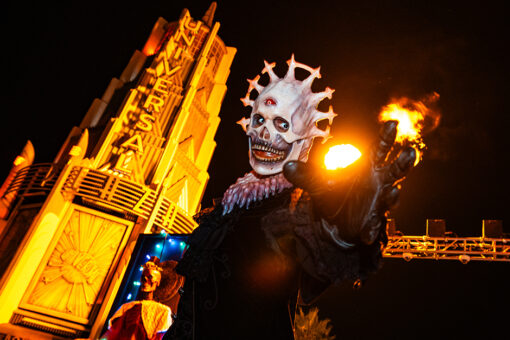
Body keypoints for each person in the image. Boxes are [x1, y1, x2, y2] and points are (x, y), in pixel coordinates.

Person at [164, 55, 415, 339]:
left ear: (305, 139)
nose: (265, 132)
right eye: (259, 119)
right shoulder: (230, 203)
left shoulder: (300, 204)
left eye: (282, 125)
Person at [102, 257, 173, 340]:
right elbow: (113, 333)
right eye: (143, 277)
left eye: (150, 277)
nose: (145, 280)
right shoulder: (127, 307)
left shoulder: (163, 311)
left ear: (158, 282)